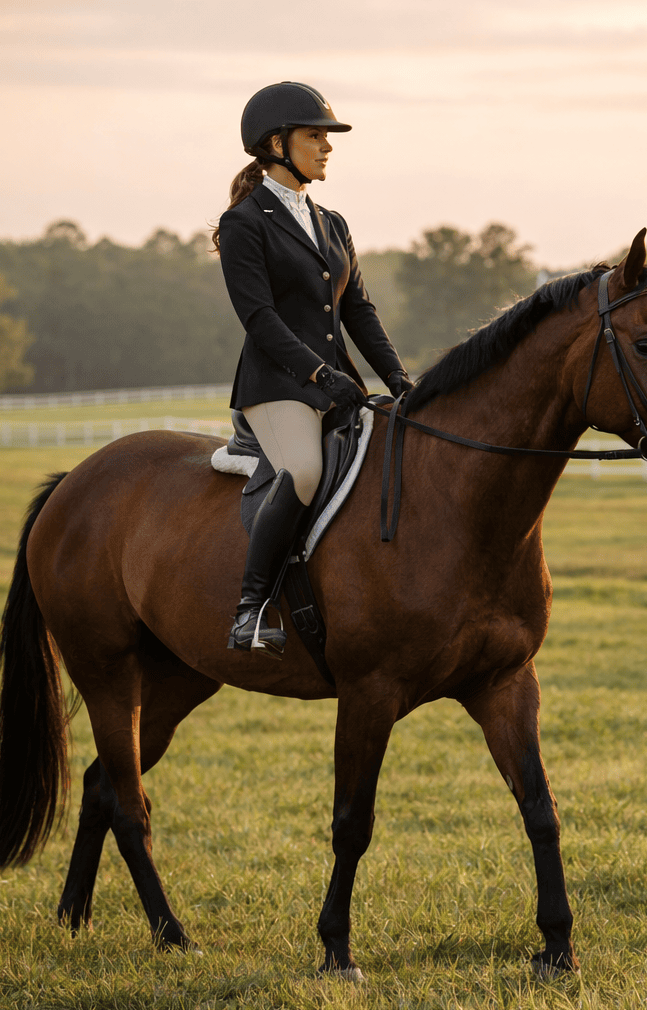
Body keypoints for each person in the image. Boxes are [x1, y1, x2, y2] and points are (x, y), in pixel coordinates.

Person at [214, 81, 413, 656]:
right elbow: (260, 319)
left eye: (328, 138)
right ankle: (250, 611)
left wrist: (399, 379)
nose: (327, 147)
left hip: (336, 385)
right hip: (277, 384)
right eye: (315, 136)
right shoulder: (244, 223)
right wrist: (319, 376)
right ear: (277, 143)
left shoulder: (333, 223)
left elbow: (360, 311)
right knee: (301, 472)